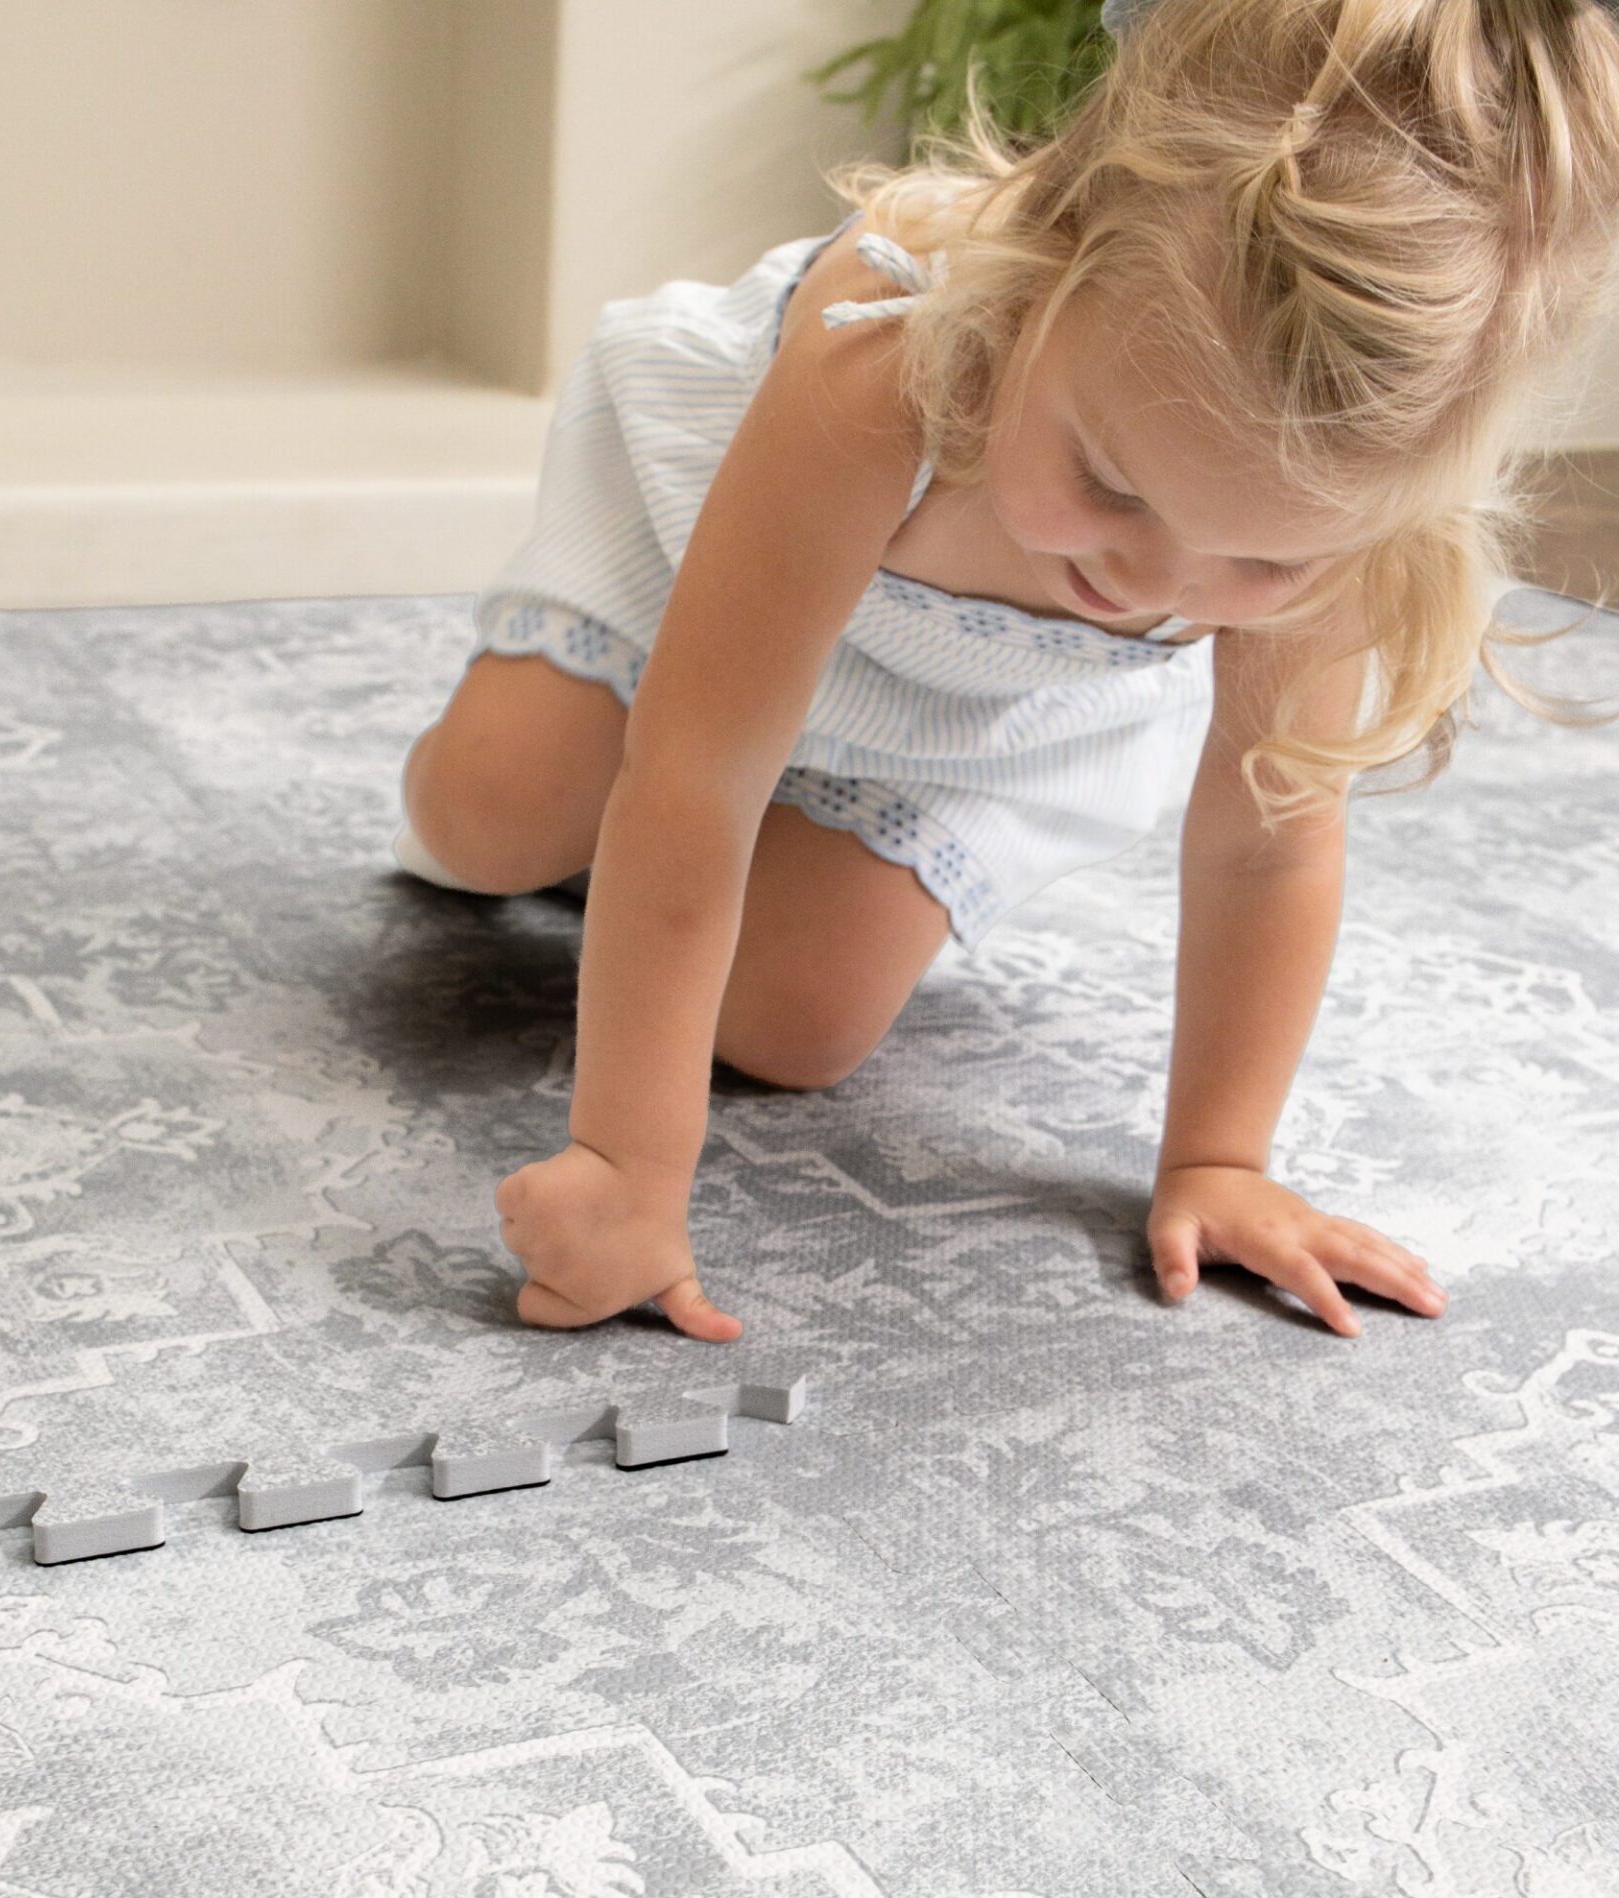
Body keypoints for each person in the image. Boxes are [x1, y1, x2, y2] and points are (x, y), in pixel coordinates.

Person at [394, 0, 1619, 1342]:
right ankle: (591, 817)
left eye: (1262, 564)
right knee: (490, 813)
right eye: (1112, 482)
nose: (1155, 585)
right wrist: (629, 1167)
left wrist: (1221, 1159)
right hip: (719, 568)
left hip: (983, 708)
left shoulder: (1338, 515)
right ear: (1057, 263)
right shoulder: (885, 353)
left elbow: (1264, 846)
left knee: (797, 1026)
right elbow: (697, 770)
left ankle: (718, 864)